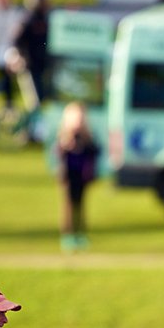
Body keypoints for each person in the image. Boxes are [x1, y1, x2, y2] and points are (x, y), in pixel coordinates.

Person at [55, 102, 100, 252]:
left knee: (80, 206)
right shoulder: (64, 137)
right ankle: (68, 235)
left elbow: (95, 152)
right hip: (69, 177)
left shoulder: (87, 138)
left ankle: (80, 233)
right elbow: (58, 155)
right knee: (68, 206)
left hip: (82, 177)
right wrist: (68, 145)